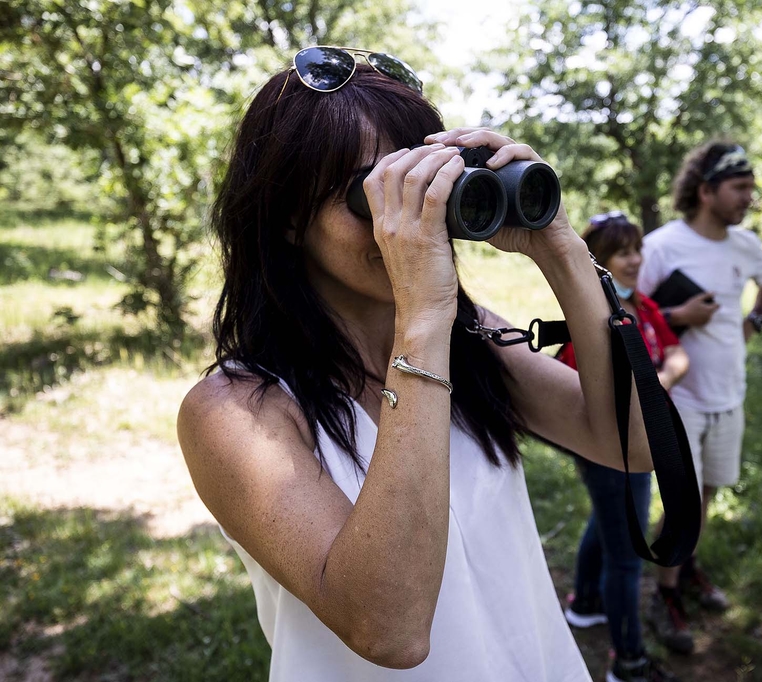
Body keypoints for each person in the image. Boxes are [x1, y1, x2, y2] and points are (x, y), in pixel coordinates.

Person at [176, 46, 662, 682]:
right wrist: (425, 313)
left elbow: (636, 444)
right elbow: (391, 629)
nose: (412, 218)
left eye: (425, 182)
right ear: (290, 218)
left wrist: (562, 250)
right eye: (373, 194)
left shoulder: (470, 337)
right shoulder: (236, 413)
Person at [637, 141, 762, 654]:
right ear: (705, 191)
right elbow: (634, 314)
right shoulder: (662, 245)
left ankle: (687, 567)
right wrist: (680, 319)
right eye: (739, 187)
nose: (749, 196)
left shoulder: (745, 244)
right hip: (682, 399)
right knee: (683, 501)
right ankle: (666, 596)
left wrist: (753, 323)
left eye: (750, 187)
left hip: (730, 394)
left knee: (708, 492)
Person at [558, 212, 689, 682]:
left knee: (610, 520)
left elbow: (676, 353)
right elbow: (583, 392)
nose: (635, 259)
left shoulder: (643, 306)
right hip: (610, 449)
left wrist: (660, 380)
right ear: (599, 263)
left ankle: (587, 602)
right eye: (622, 252)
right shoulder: (592, 321)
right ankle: (628, 662)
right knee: (628, 554)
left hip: (641, 443)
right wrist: (656, 385)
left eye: (638, 248)